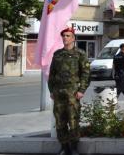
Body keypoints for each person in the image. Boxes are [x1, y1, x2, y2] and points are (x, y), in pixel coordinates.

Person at [48, 27, 90, 155]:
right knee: (60, 122)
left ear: (73, 38)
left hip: (73, 92)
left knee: (73, 121)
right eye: (64, 36)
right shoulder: (57, 54)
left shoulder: (80, 54)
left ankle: (73, 148)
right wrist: (51, 90)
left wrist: (81, 90)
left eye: (68, 36)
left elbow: (86, 73)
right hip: (59, 93)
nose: (65, 38)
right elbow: (52, 73)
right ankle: (64, 147)